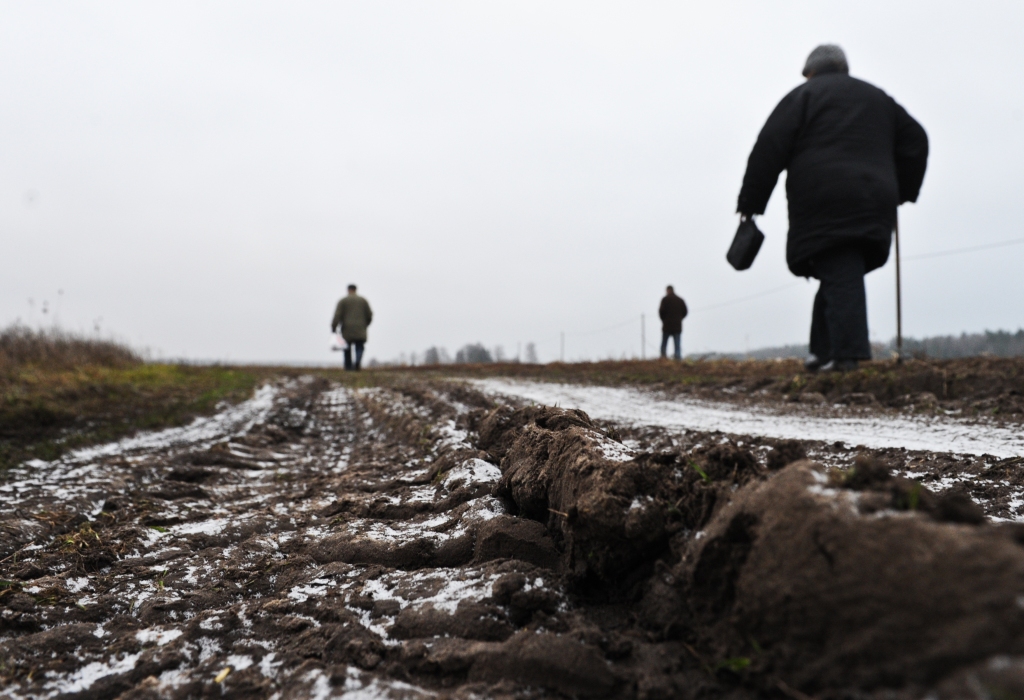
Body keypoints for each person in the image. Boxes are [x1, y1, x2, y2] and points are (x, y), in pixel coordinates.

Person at [736, 45, 928, 372]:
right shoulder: (878, 99)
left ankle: (845, 356)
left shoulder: (803, 96)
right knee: (839, 269)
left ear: (811, 71)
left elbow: (768, 149)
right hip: (873, 196)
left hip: (822, 196)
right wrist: (902, 190)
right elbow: (917, 139)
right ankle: (822, 352)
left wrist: (751, 207)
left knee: (839, 265)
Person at [331, 284, 373, 370]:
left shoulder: (343, 301)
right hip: (360, 328)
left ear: (348, 290)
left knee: (347, 349)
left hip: (347, 328)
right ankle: (357, 361)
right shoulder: (363, 301)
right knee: (359, 347)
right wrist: (366, 324)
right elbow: (370, 315)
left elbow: (337, 315)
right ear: (356, 289)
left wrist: (334, 327)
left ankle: (348, 367)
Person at [659, 286, 688, 360]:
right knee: (677, 344)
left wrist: (664, 320)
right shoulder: (680, 300)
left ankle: (663, 357)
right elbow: (685, 312)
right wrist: (680, 319)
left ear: (668, 290)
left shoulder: (665, 300)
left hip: (667, 325)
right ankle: (677, 358)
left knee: (664, 343)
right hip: (677, 326)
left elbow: (661, 312)